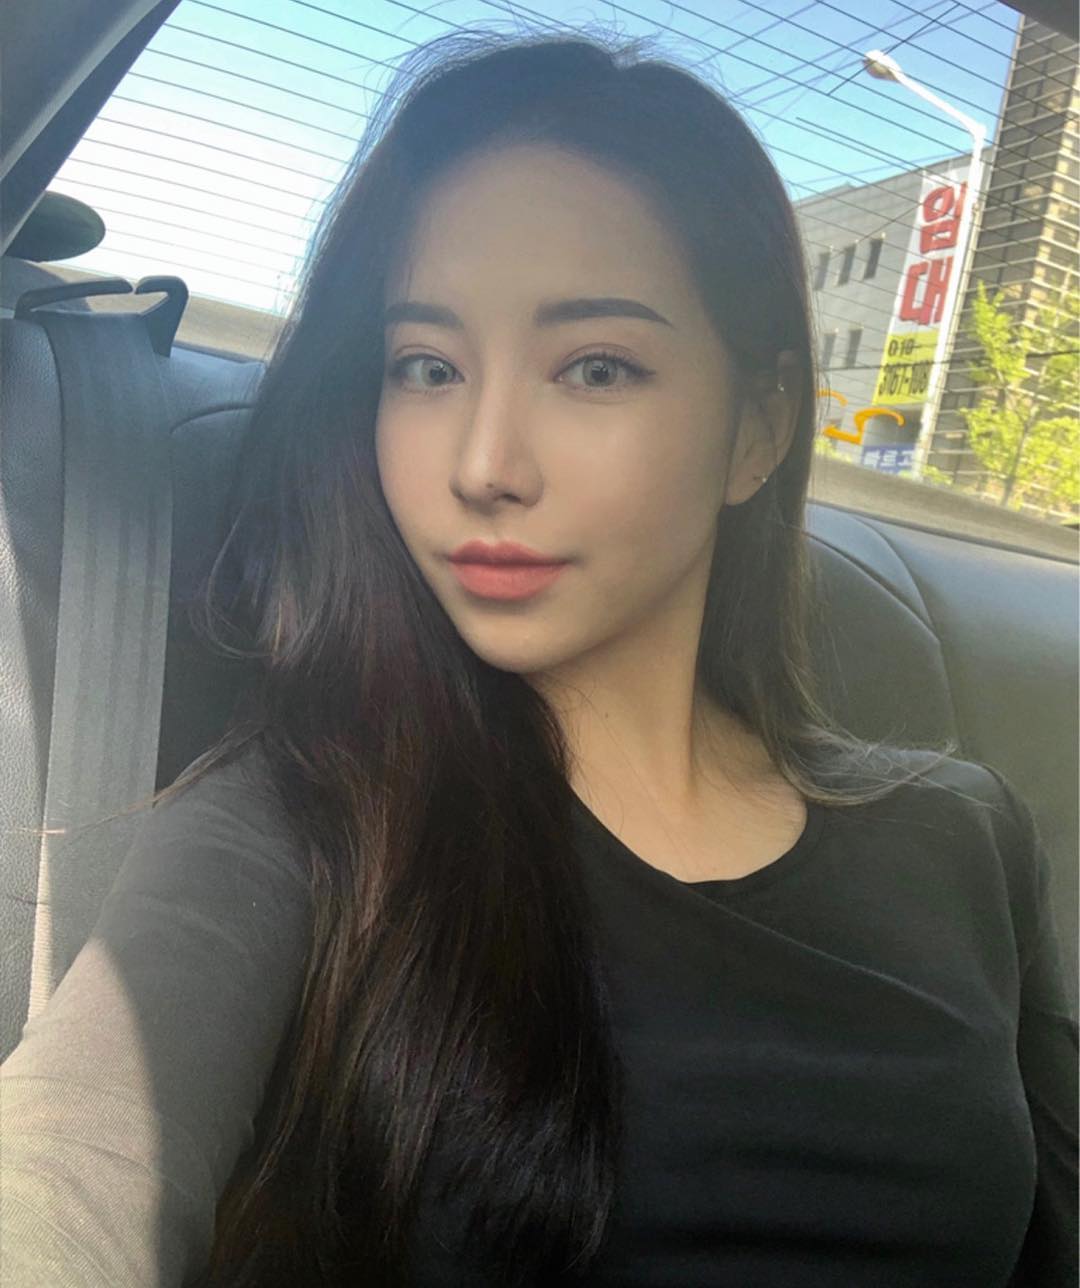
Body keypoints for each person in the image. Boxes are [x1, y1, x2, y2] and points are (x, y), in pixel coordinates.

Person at [1, 24, 1076, 1288]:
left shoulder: (965, 835)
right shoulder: (302, 819)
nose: (484, 464)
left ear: (759, 427)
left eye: (594, 367)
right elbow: (74, 1162)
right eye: (427, 366)